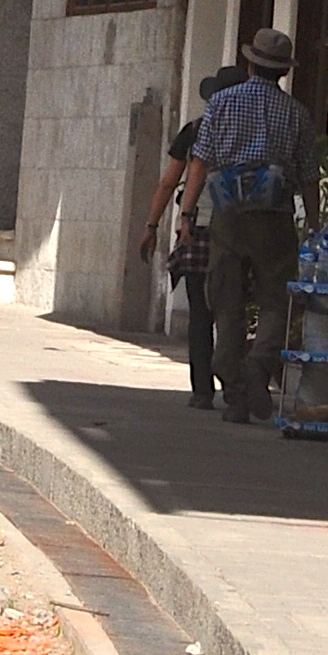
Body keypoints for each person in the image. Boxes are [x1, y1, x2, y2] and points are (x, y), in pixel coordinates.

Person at [177, 24, 319, 424]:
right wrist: (313, 220)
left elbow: (200, 163)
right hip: (275, 217)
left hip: (229, 215)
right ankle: (259, 365)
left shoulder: (220, 104)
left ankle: (236, 388)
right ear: (283, 71)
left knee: (226, 301)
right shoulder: (296, 113)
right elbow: (309, 174)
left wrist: (187, 214)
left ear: (250, 63)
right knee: (277, 299)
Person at [140, 72, 233, 407]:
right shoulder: (253, 129)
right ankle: (234, 385)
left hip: (197, 230)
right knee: (230, 310)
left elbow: (169, 183)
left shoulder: (196, 130)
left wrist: (151, 225)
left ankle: (202, 390)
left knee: (200, 313)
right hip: (237, 229)